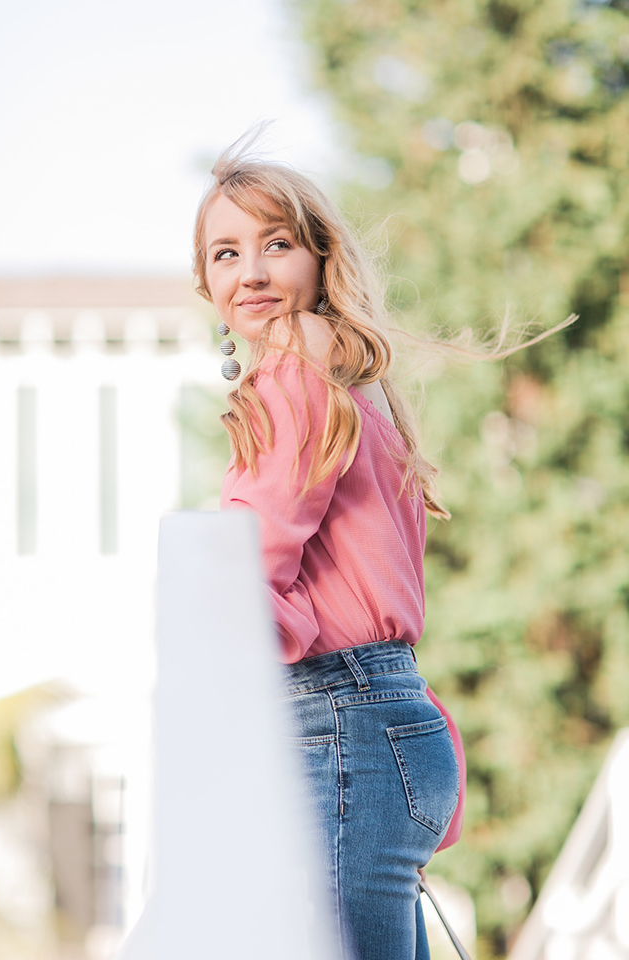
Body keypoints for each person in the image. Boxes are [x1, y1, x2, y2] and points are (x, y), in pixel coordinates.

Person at [191, 138, 481, 960]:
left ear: (320, 259)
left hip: (342, 727)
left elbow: (243, 575)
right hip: (387, 728)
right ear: (207, 285)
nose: (250, 271)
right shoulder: (352, 391)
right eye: (226, 253)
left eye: (276, 243)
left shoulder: (291, 383)